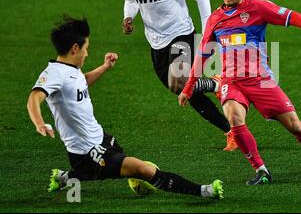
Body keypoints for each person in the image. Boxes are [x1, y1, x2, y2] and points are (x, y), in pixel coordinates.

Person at [178, 0, 301, 185]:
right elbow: (202, 55)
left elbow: (292, 16)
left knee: (295, 127)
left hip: (261, 81)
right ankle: (261, 170)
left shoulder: (258, 7)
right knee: (234, 118)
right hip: (231, 82)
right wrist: (188, 86)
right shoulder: (215, 19)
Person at [26, 16, 223, 199]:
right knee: (142, 169)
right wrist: (40, 123)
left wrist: (104, 68)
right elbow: (34, 97)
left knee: (102, 170)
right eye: (86, 48)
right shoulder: (54, 74)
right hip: (85, 151)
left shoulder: (71, 70)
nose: (87, 53)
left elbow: (81, 82)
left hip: (99, 136)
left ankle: (63, 178)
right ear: (75, 48)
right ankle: (205, 191)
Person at [119, 0, 237, 151]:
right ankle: (230, 130)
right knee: (183, 91)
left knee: (180, 82)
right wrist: (128, 17)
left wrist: (207, 32)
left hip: (180, 33)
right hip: (155, 40)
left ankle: (215, 84)